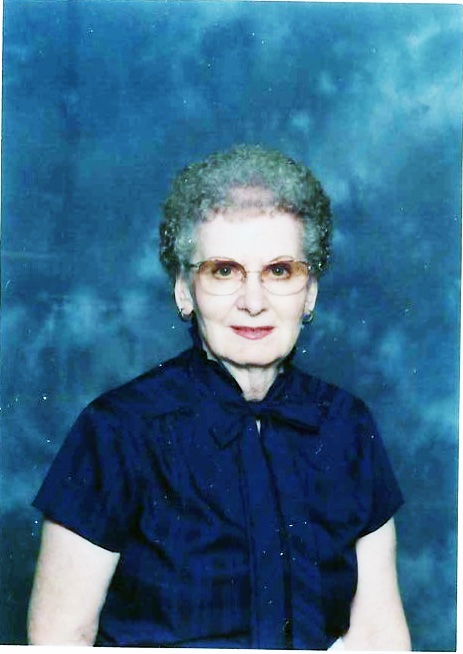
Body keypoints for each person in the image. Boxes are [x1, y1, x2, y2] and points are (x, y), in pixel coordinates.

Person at [28, 144, 411, 649]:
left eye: (280, 271)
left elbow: (379, 633)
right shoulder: (116, 430)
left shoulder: (347, 424)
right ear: (184, 291)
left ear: (311, 291)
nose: (253, 302)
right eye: (224, 270)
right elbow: (59, 639)